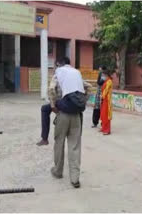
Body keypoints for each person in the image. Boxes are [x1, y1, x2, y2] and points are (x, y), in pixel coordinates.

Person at [48, 57, 91, 188]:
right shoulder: (76, 73)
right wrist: (83, 101)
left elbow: (51, 89)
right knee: (75, 146)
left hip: (63, 115)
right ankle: (75, 179)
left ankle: (58, 171)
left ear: (58, 64)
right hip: (77, 115)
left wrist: (53, 105)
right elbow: (88, 87)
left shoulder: (58, 73)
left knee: (59, 142)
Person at [36, 61, 61, 146]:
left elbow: (51, 90)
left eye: (55, 67)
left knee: (44, 109)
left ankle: (44, 139)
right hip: (73, 102)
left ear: (57, 66)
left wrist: (53, 105)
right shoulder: (74, 74)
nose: (54, 69)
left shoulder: (57, 75)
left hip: (61, 102)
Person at [100, 70, 113, 135]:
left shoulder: (109, 81)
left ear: (106, 75)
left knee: (106, 115)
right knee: (103, 115)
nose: (102, 76)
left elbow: (106, 90)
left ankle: (107, 130)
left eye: (103, 75)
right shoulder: (105, 81)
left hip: (107, 100)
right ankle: (103, 128)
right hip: (104, 100)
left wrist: (102, 96)